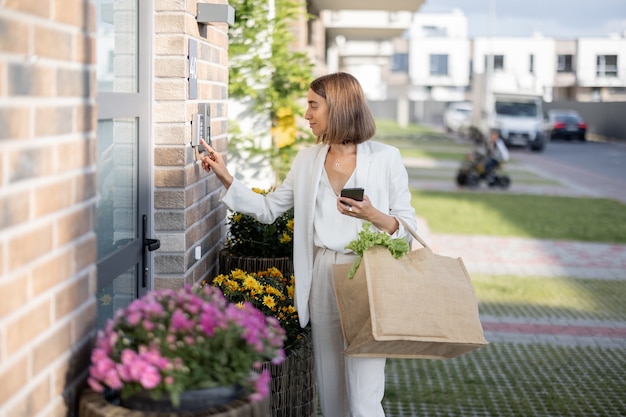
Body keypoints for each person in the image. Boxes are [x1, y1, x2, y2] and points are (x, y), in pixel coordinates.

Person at [200, 72, 417, 417]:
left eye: (313, 105)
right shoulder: (307, 160)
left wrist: (373, 214)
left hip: (368, 275)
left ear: (340, 107)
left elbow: (407, 230)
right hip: (322, 274)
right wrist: (226, 177)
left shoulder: (386, 158)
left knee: (364, 396)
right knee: (330, 391)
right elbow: (270, 209)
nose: (306, 114)